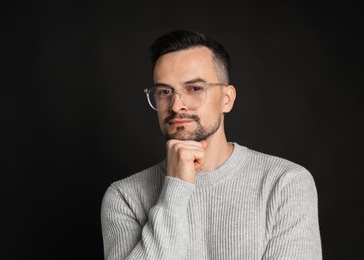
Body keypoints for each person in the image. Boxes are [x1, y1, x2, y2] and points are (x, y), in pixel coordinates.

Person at [101, 30, 322, 260]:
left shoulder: (284, 183)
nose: (177, 105)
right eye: (164, 91)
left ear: (226, 99)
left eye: (195, 88)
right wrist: (176, 187)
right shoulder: (124, 197)